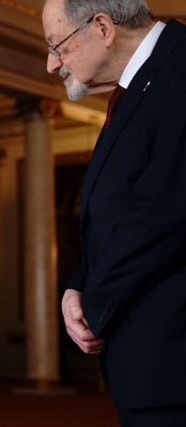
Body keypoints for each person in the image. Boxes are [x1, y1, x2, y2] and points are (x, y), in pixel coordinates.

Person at [43, 0, 186, 425]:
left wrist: (93, 302)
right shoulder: (141, 83)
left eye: (57, 46)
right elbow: (118, 213)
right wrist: (77, 285)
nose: (52, 65)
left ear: (102, 27)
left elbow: (165, 215)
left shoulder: (179, 72)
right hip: (150, 360)